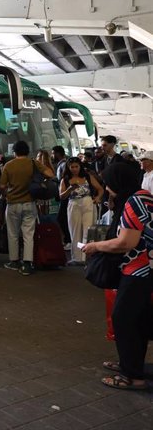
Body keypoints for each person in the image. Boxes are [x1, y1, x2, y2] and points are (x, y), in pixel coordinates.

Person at [81, 162, 153, 391]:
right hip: (143, 268)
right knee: (137, 320)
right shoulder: (144, 196)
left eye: (109, 183)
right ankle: (131, 365)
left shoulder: (134, 201)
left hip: (139, 270)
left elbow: (126, 242)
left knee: (124, 320)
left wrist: (96, 246)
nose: (107, 188)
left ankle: (132, 376)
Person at [0, 140, 54, 276]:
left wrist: (7, 194)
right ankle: (27, 264)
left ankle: (14, 261)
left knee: (13, 234)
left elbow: (1, 186)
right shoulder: (33, 163)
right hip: (30, 203)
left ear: (14, 152)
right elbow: (50, 174)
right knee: (28, 234)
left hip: (12, 204)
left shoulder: (8, 165)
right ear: (28, 151)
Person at [59, 157, 103, 265]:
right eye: (72, 167)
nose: (74, 169)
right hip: (74, 204)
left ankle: (86, 256)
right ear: (68, 168)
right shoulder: (65, 179)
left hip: (88, 203)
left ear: (80, 166)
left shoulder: (87, 176)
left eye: (76, 166)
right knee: (75, 231)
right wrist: (69, 189)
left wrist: (98, 198)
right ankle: (77, 257)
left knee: (87, 231)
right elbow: (61, 196)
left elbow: (100, 189)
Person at [52, 146, 70, 247]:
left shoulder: (63, 165)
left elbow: (63, 180)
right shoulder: (62, 164)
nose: (52, 155)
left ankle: (68, 240)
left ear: (58, 154)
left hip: (65, 195)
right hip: (64, 194)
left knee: (62, 218)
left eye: (53, 153)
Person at [34, 150, 55, 218]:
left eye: (38, 156)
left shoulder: (42, 169)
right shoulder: (50, 168)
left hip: (42, 194)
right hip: (47, 194)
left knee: (42, 214)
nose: (36, 158)